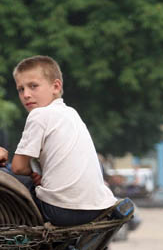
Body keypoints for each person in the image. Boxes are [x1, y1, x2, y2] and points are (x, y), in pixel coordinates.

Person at [10, 55, 117, 226]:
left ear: (56, 86)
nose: (26, 95)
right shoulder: (71, 113)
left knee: (4, 175)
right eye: (20, 89)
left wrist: (32, 173)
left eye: (33, 86)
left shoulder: (39, 115)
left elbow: (18, 167)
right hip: (97, 207)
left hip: (60, 210)